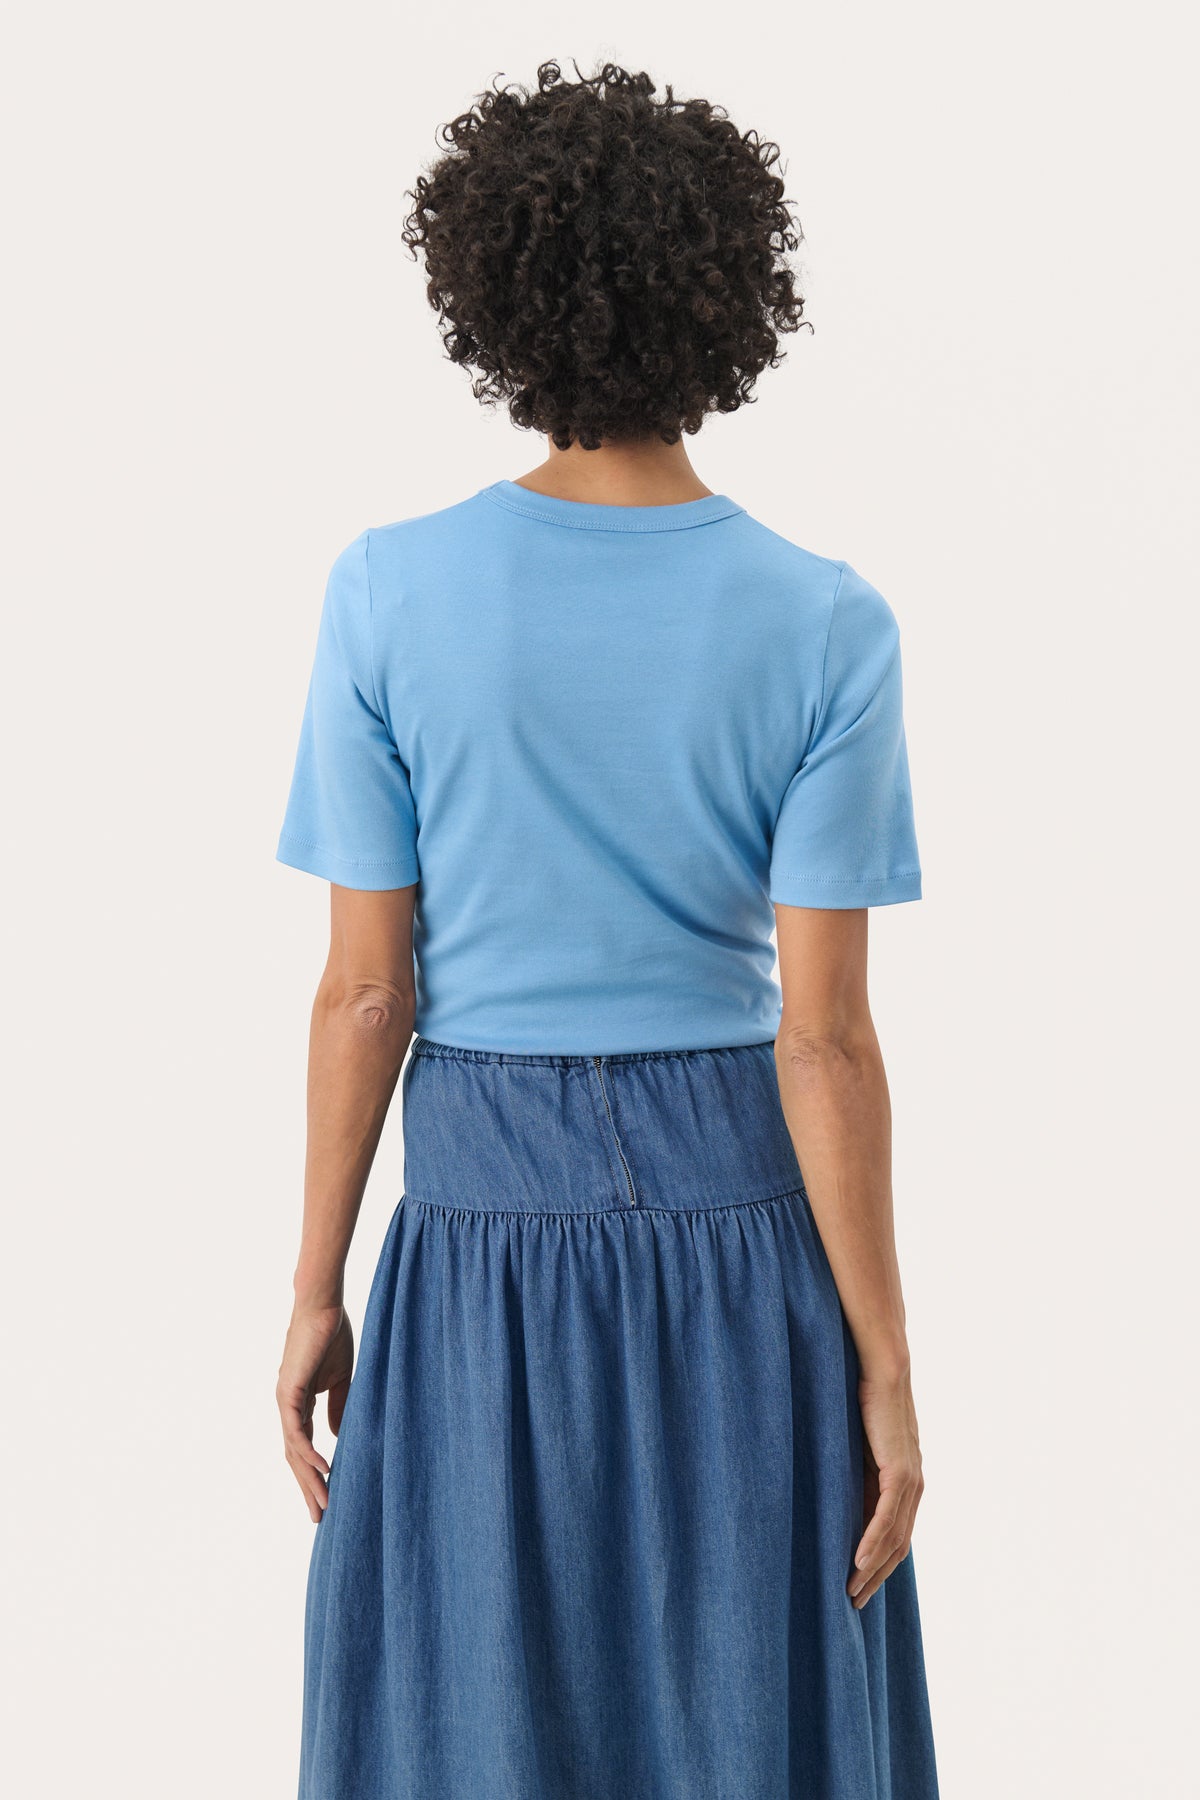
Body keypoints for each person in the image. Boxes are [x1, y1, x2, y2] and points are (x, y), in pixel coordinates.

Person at [274, 58, 939, 1800]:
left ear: (495, 300)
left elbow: (366, 993)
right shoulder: (825, 622)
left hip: (480, 1221)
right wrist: (885, 1356)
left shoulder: (386, 591)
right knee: (741, 1709)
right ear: (726, 298)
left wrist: (317, 1285)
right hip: (742, 1216)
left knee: (475, 1719)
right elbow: (824, 1036)